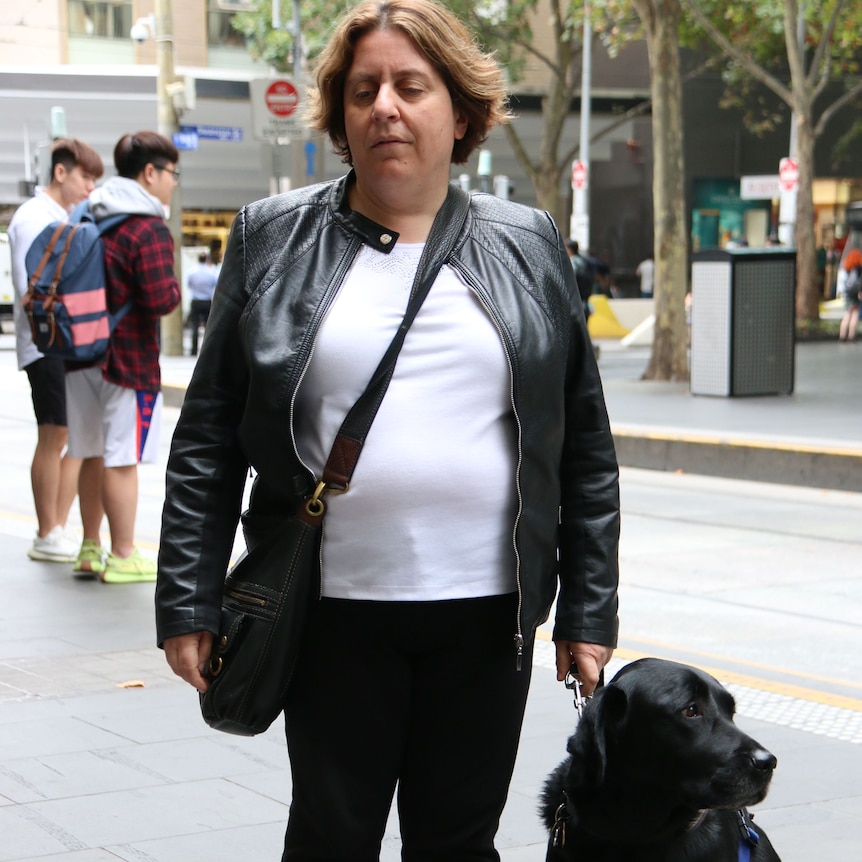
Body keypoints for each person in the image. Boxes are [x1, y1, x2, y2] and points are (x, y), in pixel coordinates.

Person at [156, 1, 620, 859]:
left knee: (457, 839)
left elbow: (584, 443)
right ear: (339, 114)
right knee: (332, 836)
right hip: (331, 612)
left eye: (412, 85)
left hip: (490, 616)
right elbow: (208, 439)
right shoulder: (271, 237)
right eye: (363, 89)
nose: (386, 108)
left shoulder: (529, 242)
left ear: (461, 110)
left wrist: (589, 607)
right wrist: (188, 598)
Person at [65, 131, 181, 583]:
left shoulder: (87, 215)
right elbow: (160, 299)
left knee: (90, 452)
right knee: (121, 458)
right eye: (172, 174)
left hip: (79, 353)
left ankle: (90, 547)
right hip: (127, 360)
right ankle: (124, 554)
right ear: (150, 173)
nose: (173, 183)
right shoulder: (146, 226)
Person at [7, 138, 105, 564]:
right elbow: (36, 287)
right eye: (86, 177)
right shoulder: (34, 218)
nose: (90, 187)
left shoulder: (59, 215)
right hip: (45, 341)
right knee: (54, 434)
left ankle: (56, 529)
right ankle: (47, 531)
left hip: (60, 341)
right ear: (61, 172)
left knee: (67, 435)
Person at [185, 251, 218, 356]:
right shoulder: (211, 272)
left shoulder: (192, 272)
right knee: (208, 327)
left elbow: (189, 284)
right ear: (206, 259)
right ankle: (207, 350)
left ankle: (193, 350)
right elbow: (214, 284)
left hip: (195, 300)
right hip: (207, 301)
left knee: (194, 326)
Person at [838, 248, 862, 343]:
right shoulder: (859, 269)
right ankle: (851, 336)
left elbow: (842, 282)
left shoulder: (846, 268)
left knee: (847, 314)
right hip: (855, 294)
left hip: (847, 294)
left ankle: (842, 336)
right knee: (854, 314)